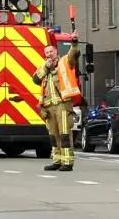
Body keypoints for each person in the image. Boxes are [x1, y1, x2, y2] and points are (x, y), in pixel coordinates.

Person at [32, 30, 81, 172]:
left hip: (62, 104)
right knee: (53, 135)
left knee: (64, 133)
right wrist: (46, 67)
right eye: (46, 53)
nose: (48, 55)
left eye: (51, 52)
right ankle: (57, 160)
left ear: (56, 52)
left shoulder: (65, 62)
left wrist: (74, 42)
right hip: (48, 107)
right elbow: (36, 79)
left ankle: (67, 162)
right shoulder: (44, 67)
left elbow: (74, 55)